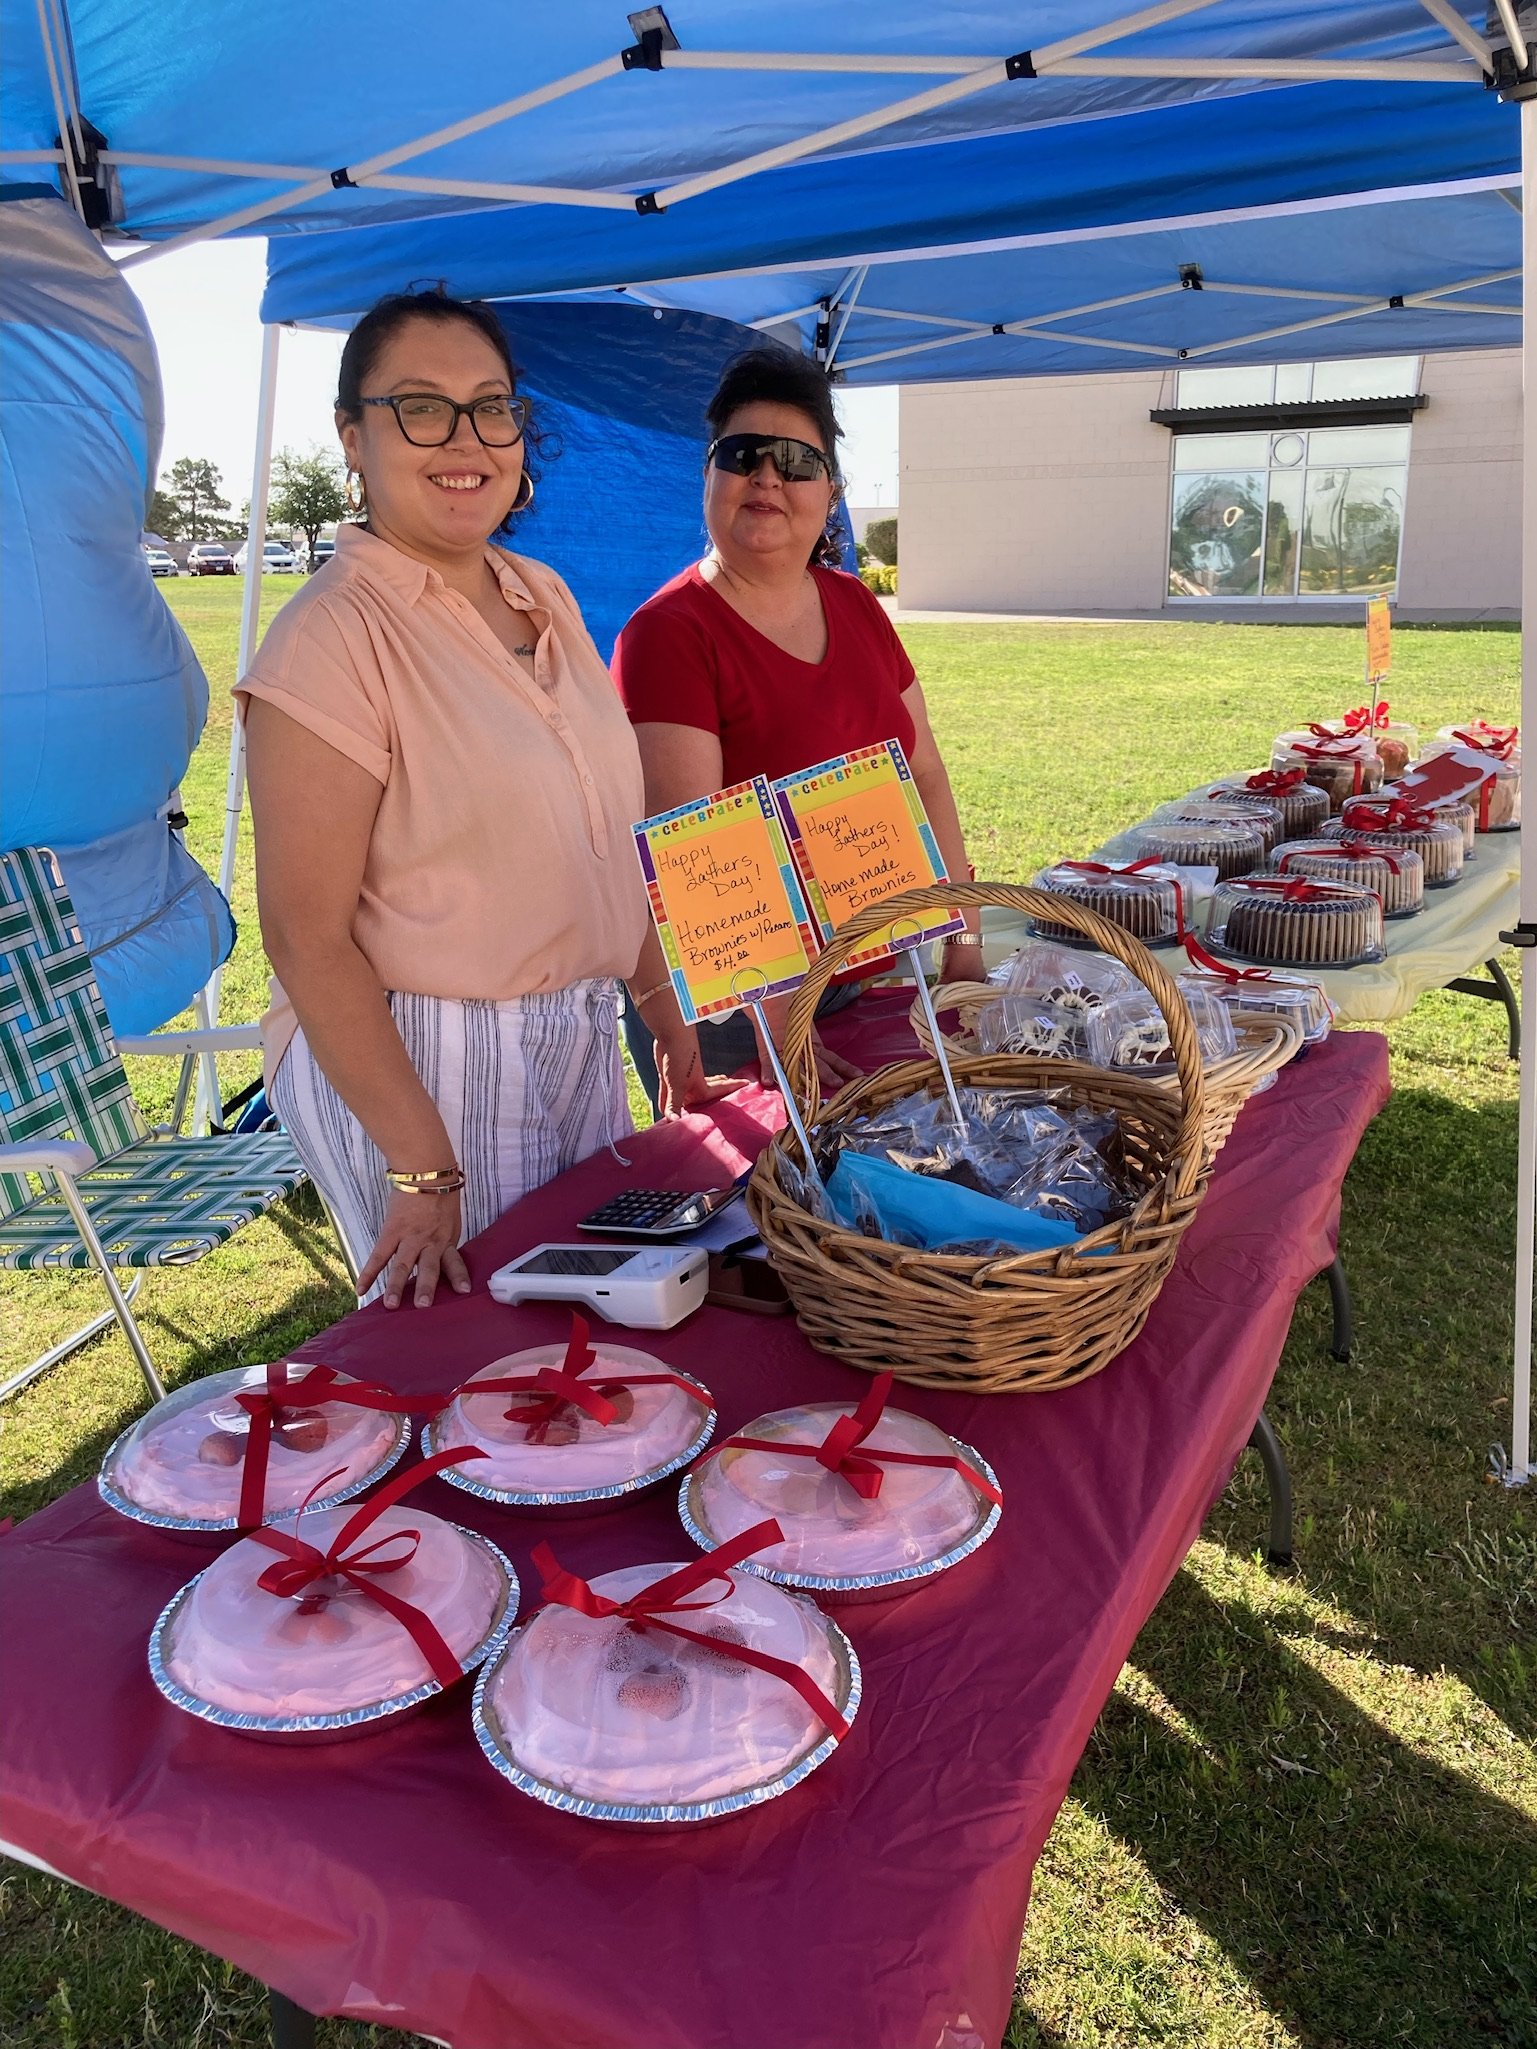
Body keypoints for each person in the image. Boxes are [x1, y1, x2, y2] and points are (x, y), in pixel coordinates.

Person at [236, 290, 719, 1311]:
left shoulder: (538, 591)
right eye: (420, 407)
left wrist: (659, 1006)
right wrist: (420, 1165)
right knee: (470, 1364)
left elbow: (606, 835)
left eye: (489, 406)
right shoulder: (333, 635)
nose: (465, 441)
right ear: (351, 437)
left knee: (579, 1342)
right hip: (430, 1058)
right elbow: (305, 936)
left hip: (575, 1034)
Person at [613, 345, 980, 1115]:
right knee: (773, 1217)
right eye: (743, 455)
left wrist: (964, 942)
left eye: (794, 460)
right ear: (707, 477)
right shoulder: (669, 634)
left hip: (872, 977)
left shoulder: (854, 605)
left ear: (830, 492)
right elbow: (698, 846)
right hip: (745, 1016)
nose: (768, 477)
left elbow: (927, 776)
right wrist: (780, 1021)